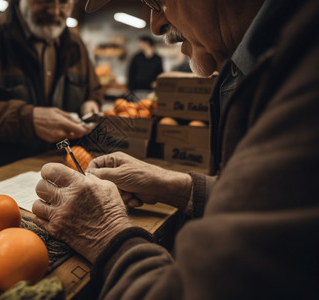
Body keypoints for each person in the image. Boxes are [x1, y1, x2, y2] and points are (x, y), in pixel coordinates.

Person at [32, 0, 319, 299]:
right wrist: (177, 186)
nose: (155, 24)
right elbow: (272, 200)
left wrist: (107, 235)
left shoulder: (304, 76)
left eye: (157, 1)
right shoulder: (283, 60)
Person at [0, 0, 103, 174]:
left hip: (67, 174)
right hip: (1, 182)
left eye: (64, 2)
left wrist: (91, 104)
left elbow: (94, 91)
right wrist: (25, 120)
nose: (54, 11)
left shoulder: (76, 44)